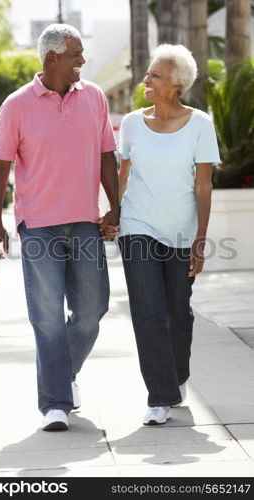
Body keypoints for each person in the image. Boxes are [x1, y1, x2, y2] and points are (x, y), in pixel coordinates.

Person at [0, 24, 119, 431]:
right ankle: (55, 403)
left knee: (92, 310)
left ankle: (63, 376)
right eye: (76, 54)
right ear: (52, 58)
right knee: (46, 316)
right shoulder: (16, 105)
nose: (83, 60)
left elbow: (106, 155)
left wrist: (115, 207)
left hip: (85, 221)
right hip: (38, 226)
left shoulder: (94, 97)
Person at [117, 44, 220, 425]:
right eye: (148, 73)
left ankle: (175, 378)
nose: (146, 79)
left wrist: (201, 238)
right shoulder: (130, 124)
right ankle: (159, 396)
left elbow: (204, 186)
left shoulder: (200, 125)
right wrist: (113, 213)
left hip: (181, 231)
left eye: (155, 75)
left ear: (176, 84)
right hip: (137, 226)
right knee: (147, 310)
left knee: (178, 312)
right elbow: (122, 175)